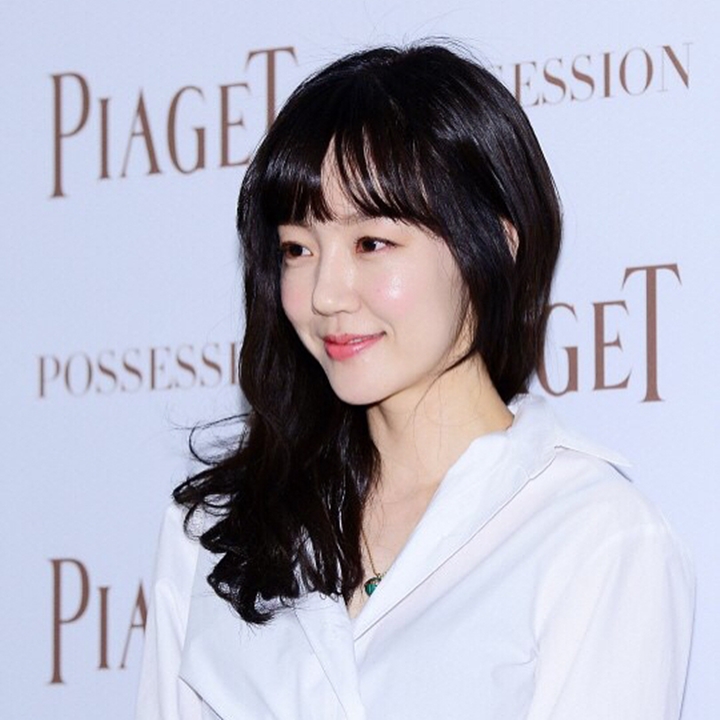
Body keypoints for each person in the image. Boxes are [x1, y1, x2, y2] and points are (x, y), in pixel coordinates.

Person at [136, 44, 694, 720]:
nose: (326, 294)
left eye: (371, 243)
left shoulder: (594, 537)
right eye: (297, 249)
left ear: (494, 245)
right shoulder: (215, 530)